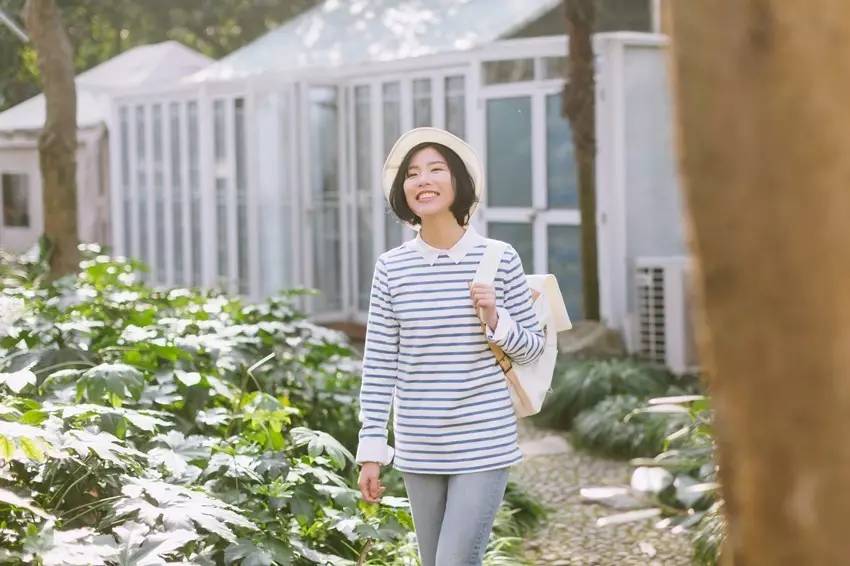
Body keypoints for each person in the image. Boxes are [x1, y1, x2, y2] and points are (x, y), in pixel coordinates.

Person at [355, 127, 545, 566]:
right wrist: (371, 450)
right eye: (413, 173)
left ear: (457, 182)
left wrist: (496, 319)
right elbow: (380, 364)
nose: (423, 180)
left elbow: (532, 348)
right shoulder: (392, 269)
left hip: (483, 440)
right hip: (419, 443)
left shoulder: (499, 258)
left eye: (435, 169)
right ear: (403, 191)